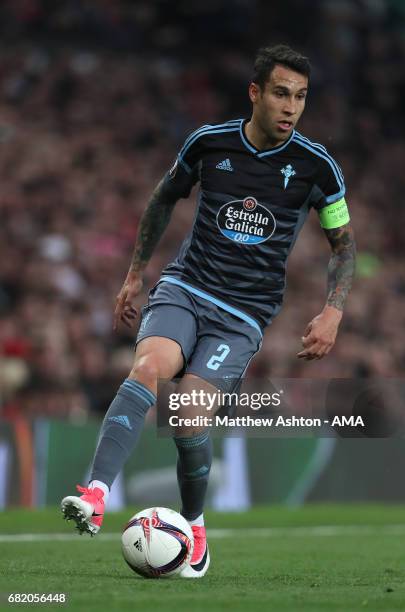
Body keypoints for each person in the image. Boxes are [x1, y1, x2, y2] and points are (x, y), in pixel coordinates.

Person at [61, 44, 356, 578]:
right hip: (186, 286)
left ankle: (194, 526)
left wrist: (333, 309)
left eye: (301, 98)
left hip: (244, 314)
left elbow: (344, 244)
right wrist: (134, 273)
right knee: (148, 369)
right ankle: (95, 492)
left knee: (187, 416)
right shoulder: (208, 143)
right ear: (256, 93)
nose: (291, 107)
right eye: (282, 94)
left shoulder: (318, 167)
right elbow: (162, 198)